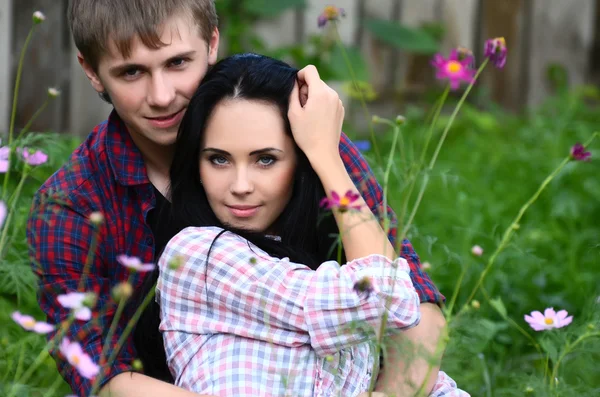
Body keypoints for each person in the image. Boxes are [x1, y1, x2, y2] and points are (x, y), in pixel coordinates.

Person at [26, 1, 446, 396]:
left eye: (177, 63)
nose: (161, 95)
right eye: (131, 72)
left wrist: (324, 154)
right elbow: (101, 374)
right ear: (93, 72)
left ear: (211, 42)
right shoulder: (72, 205)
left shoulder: (298, 135)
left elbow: (414, 307)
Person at [137, 52, 468, 397]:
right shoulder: (197, 256)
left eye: (265, 160)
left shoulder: (322, 269)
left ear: (300, 164)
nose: (240, 185)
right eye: (218, 159)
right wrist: (328, 157)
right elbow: (386, 297)